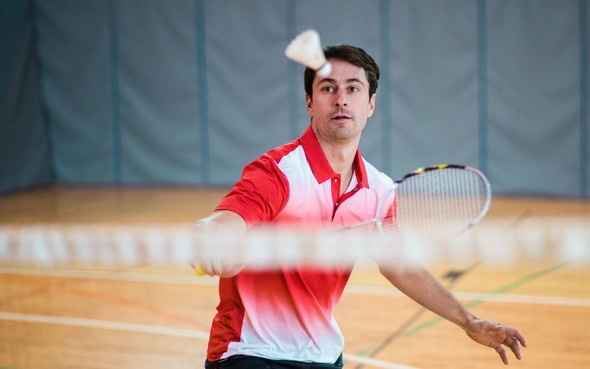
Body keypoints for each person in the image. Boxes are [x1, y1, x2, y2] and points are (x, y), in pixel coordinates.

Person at [194, 44, 526, 369]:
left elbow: (399, 265)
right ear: (309, 102)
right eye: (328, 88)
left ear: (370, 104)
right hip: (249, 352)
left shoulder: (378, 191)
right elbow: (229, 218)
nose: (341, 99)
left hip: (322, 356)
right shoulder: (280, 171)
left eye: (353, 88)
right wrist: (212, 235)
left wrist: (468, 321)